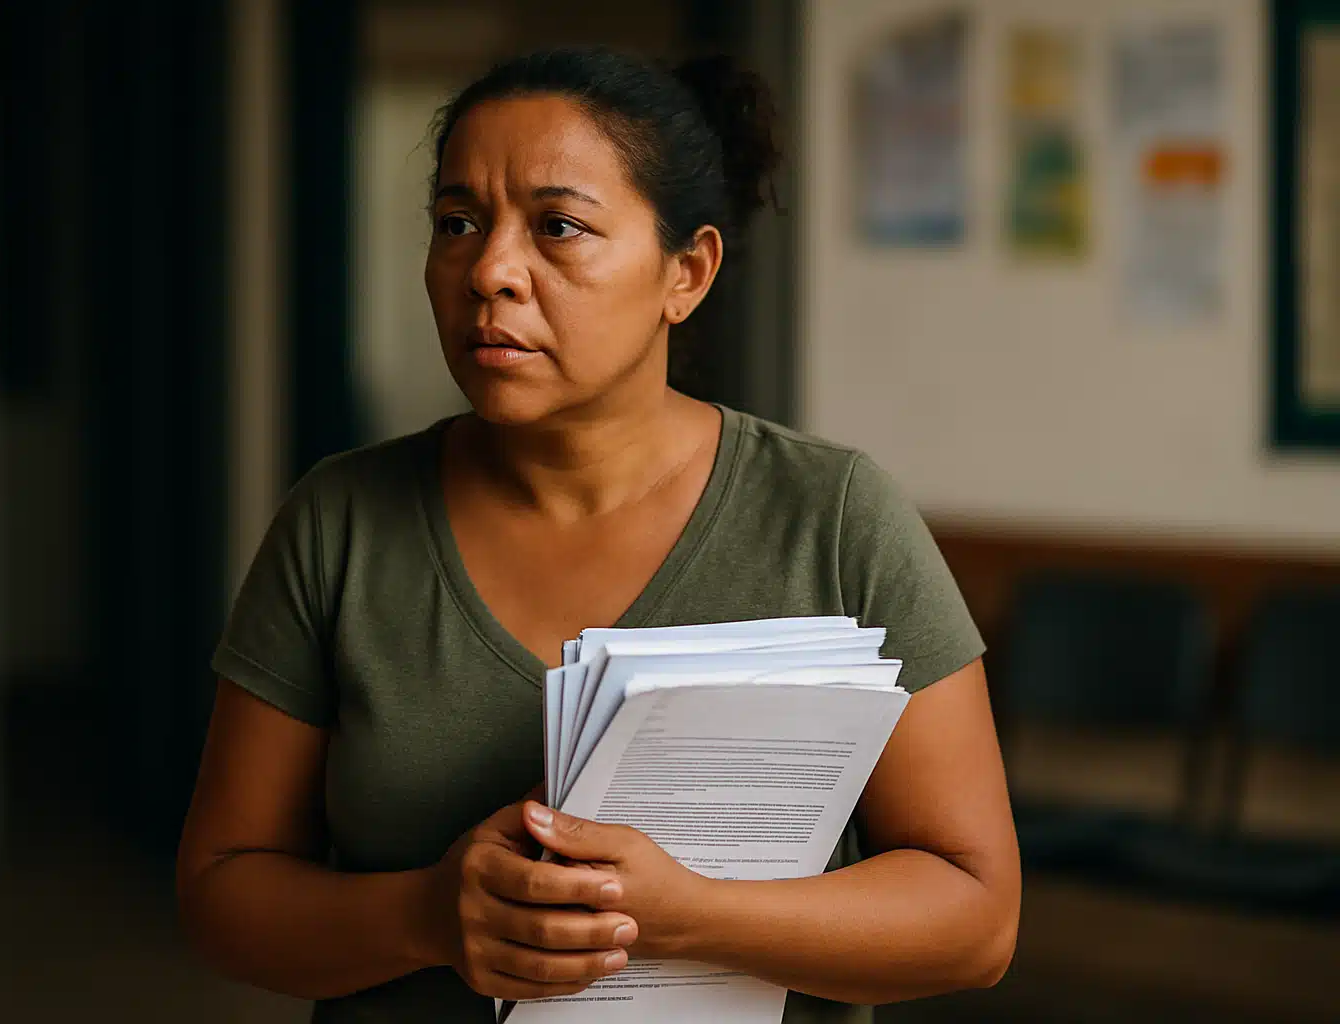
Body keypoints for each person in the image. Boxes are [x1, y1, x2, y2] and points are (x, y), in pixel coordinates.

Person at [178, 47, 1020, 1023]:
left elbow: (977, 917)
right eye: (457, 222)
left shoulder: (833, 518)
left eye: (558, 227)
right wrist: (427, 915)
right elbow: (221, 896)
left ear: (687, 272)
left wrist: (684, 913)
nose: (489, 270)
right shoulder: (341, 524)